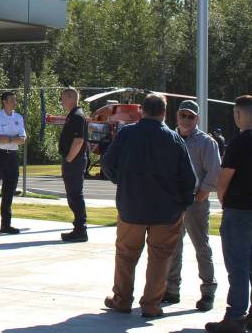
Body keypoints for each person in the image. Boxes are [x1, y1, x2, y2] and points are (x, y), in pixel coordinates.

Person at [101, 92, 196, 318]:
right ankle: (151, 304)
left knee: (126, 255)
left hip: (131, 207)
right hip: (166, 211)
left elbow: (107, 163)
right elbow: (189, 179)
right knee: (160, 258)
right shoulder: (174, 139)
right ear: (164, 113)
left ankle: (122, 299)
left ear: (142, 110)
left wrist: (121, 181)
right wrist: (184, 203)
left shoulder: (126, 134)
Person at [206, 95, 252, 333]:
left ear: (238, 114)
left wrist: (224, 202)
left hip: (241, 211)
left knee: (238, 266)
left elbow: (223, 179)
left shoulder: (239, 142)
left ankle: (235, 316)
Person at [163, 100, 221, 311]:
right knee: (173, 248)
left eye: (191, 116)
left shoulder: (206, 142)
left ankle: (208, 291)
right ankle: (171, 290)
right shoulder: (170, 138)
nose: (186, 119)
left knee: (201, 247)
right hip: (174, 203)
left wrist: (202, 194)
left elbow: (214, 171)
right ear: (176, 116)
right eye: (183, 115)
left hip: (196, 203)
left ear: (197, 119)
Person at [0, 90, 26, 235]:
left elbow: (22, 139)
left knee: (9, 190)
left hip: (12, 156)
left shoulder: (18, 117)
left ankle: (6, 224)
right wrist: (12, 138)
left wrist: (9, 139)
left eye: (15, 100)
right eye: (12, 100)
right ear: (4, 101)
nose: (15, 102)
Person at [58, 86, 89, 242]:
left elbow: (78, 141)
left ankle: (80, 230)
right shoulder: (74, 115)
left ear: (71, 98)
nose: (62, 101)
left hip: (75, 161)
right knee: (73, 194)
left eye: (63, 98)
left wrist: (69, 159)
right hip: (74, 160)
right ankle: (78, 228)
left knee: (75, 195)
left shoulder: (77, 116)